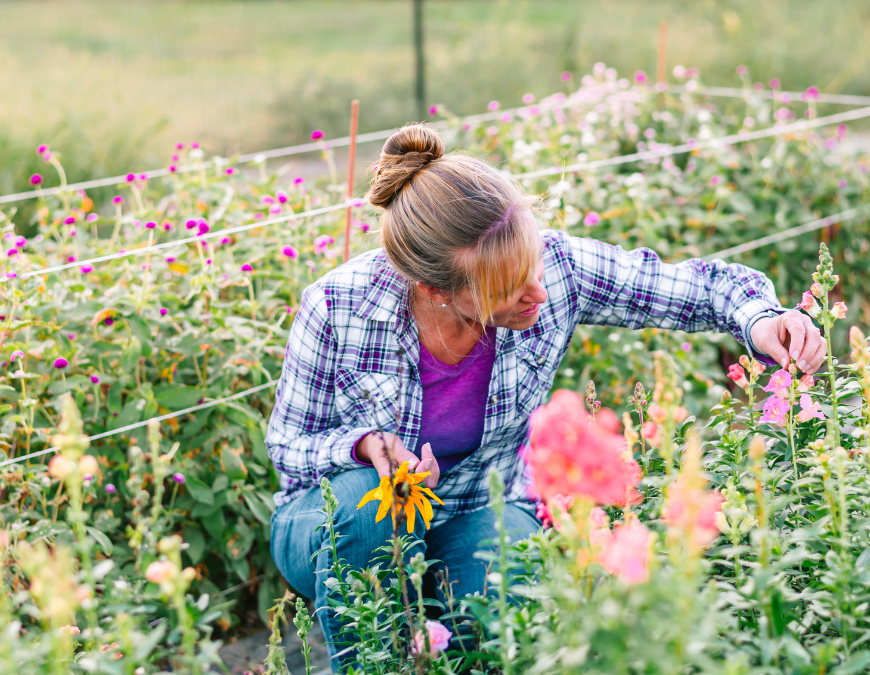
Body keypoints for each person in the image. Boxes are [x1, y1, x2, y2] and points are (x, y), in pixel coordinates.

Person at [266, 123, 826, 670]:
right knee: (367, 512)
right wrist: (365, 446)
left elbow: (699, 286)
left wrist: (761, 320)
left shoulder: (555, 269)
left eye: (532, 262)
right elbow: (288, 444)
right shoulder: (339, 306)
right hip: (328, 519)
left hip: (477, 503)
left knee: (510, 620)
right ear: (436, 290)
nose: (538, 291)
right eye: (507, 287)